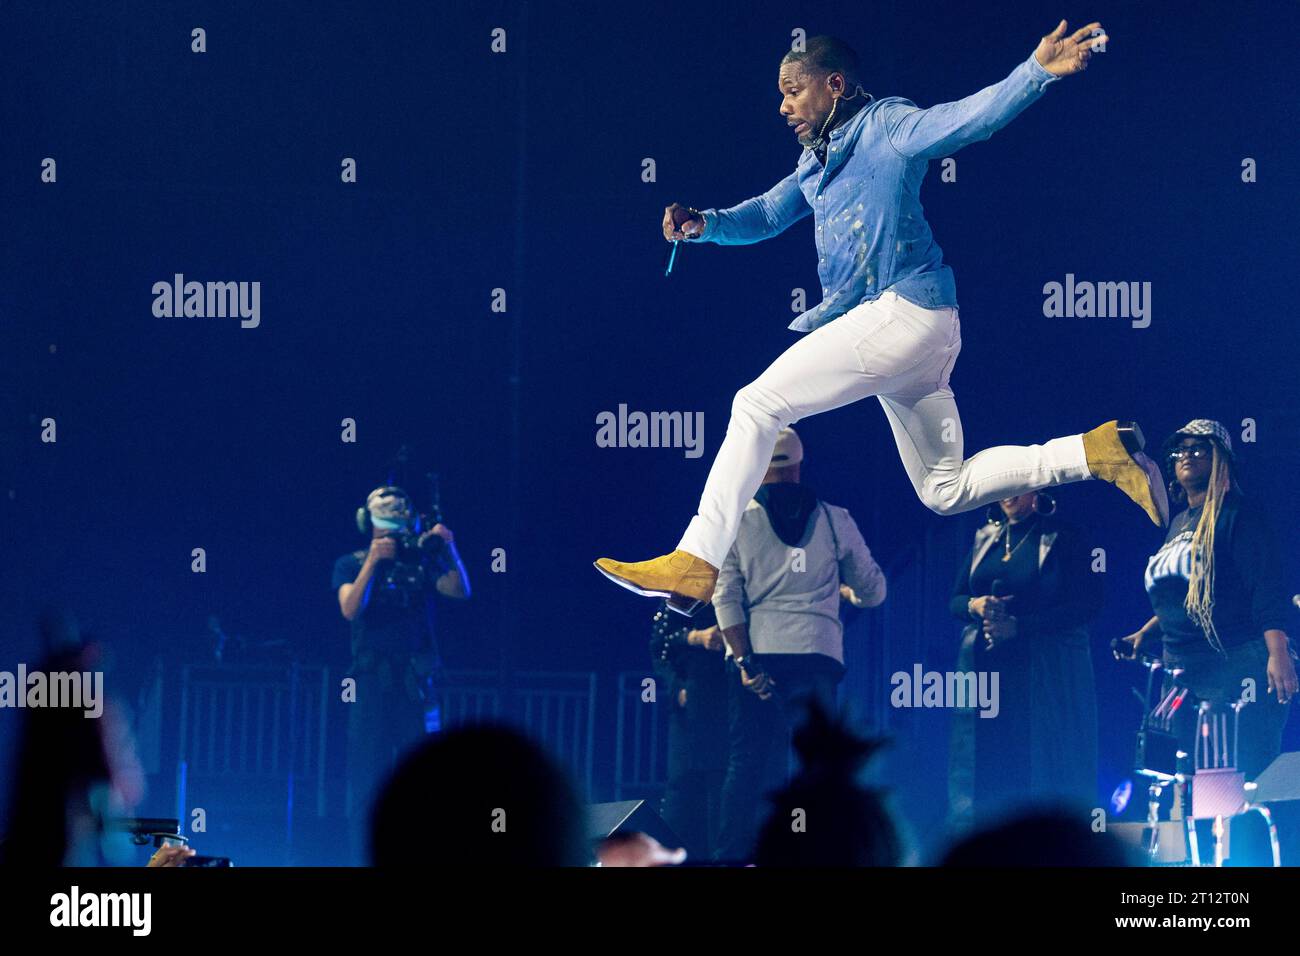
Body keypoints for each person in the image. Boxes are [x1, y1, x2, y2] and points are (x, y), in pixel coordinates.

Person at [595, 24, 1169, 617]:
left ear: (835, 85)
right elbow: (767, 213)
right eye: (781, 93)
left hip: (902, 312)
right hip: (922, 335)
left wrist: (1036, 72)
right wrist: (705, 224)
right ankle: (1098, 452)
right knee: (945, 489)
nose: (783, 104)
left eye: (794, 90)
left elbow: (967, 119)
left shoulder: (888, 127)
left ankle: (696, 560)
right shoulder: (817, 162)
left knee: (757, 404)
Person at [710, 427, 886, 861]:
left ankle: (733, 857)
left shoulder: (737, 521)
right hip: (816, 654)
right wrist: (849, 594)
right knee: (816, 766)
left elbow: (724, 595)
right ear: (800, 466)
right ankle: (818, 855)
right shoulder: (834, 518)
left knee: (747, 761)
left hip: (761, 654)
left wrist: (745, 662)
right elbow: (875, 590)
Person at [1117, 419, 1297, 780]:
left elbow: (1264, 585)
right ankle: (1192, 838)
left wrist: (1277, 653)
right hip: (1180, 669)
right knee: (1181, 777)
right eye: (1180, 450)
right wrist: (1143, 634)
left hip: (1232, 661)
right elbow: (1184, 595)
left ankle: (1250, 838)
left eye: (1199, 449)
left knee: (1234, 777)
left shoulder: (1238, 513)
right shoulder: (1180, 521)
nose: (1187, 455)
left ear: (1221, 461)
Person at [947, 491, 1102, 829]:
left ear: (1037, 492)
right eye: (1002, 487)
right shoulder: (985, 537)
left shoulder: (1065, 535)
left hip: (1043, 670)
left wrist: (1019, 626)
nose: (1009, 495)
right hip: (988, 671)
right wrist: (975, 606)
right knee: (988, 765)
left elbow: (1088, 604)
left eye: (1018, 486)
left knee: (1040, 763)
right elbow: (955, 599)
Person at [333, 485, 470, 863]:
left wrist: (448, 548)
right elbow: (350, 607)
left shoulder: (421, 564)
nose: (392, 538)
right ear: (371, 527)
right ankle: (364, 857)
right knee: (366, 779)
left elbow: (460, 590)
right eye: (385, 531)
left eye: (398, 530)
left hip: (415, 685)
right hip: (371, 684)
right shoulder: (351, 563)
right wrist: (374, 562)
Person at [649, 601, 727, 860]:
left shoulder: (737, 579)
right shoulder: (681, 589)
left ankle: (717, 855)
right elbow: (660, 644)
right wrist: (675, 687)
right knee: (682, 785)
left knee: (720, 782)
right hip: (690, 701)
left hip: (726, 699)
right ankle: (677, 855)